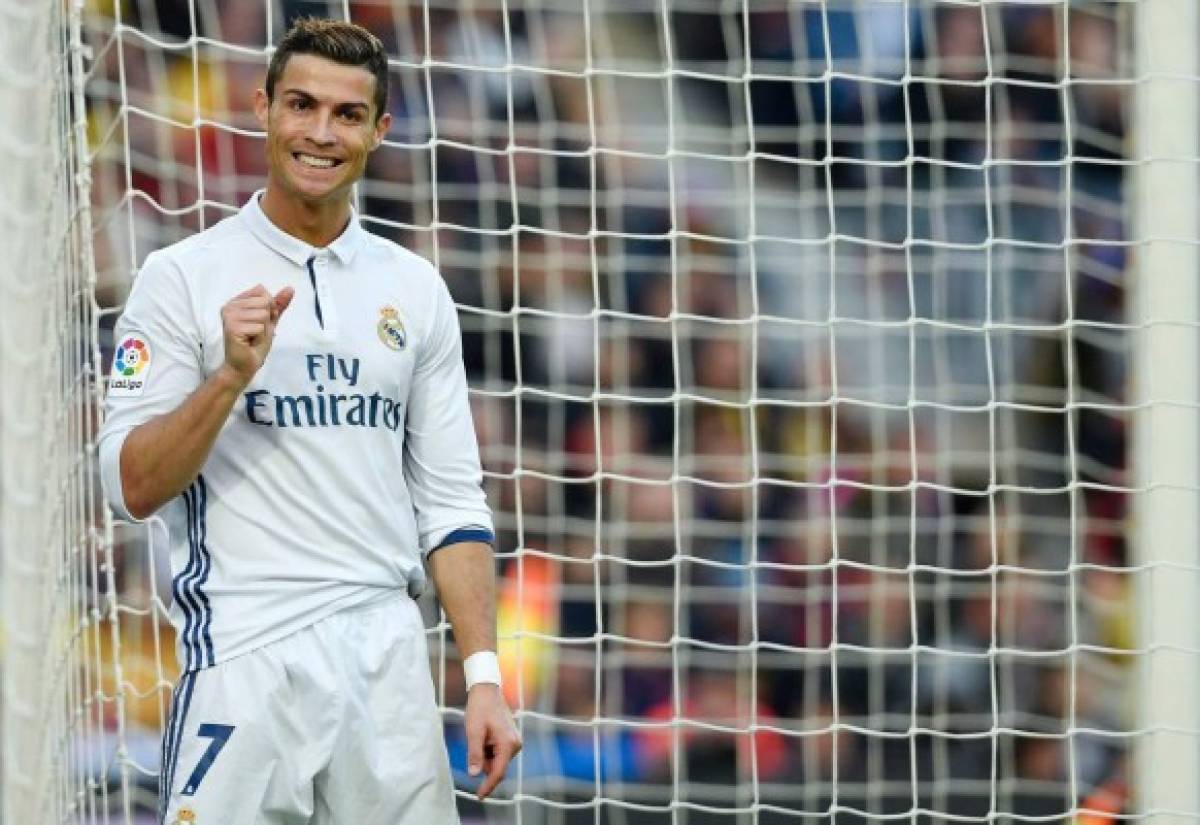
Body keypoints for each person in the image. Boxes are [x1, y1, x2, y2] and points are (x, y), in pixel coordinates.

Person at [97, 17, 521, 824]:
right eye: (301, 105)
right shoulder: (180, 278)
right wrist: (229, 377)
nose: (320, 133)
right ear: (262, 108)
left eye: (347, 114)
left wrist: (484, 678)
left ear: (380, 130)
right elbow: (130, 486)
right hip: (244, 656)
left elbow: (455, 504)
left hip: (388, 661)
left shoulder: (416, 288)